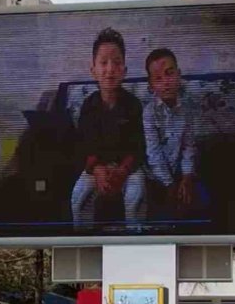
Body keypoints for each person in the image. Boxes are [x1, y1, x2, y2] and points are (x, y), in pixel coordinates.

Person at [70, 27, 147, 230]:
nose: (110, 69)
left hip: (127, 168)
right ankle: (82, 242)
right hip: (98, 167)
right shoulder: (88, 105)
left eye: (117, 62)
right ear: (93, 70)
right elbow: (83, 145)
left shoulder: (133, 105)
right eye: (103, 63)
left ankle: (137, 239)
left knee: (135, 194)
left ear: (125, 70)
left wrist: (122, 171)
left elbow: (138, 147)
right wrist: (97, 170)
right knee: (78, 198)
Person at [142, 48, 207, 220]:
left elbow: (188, 146)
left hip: (180, 170)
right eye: (158, 78)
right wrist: (170, 185)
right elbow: (153, 154)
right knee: (161, 211)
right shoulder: (149, 113)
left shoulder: (187, 109)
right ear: (151, 86)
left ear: (179, 75)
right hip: (155, 176)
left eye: (169, 74)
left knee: (197, 201)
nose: (166, 82)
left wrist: (186, 177)